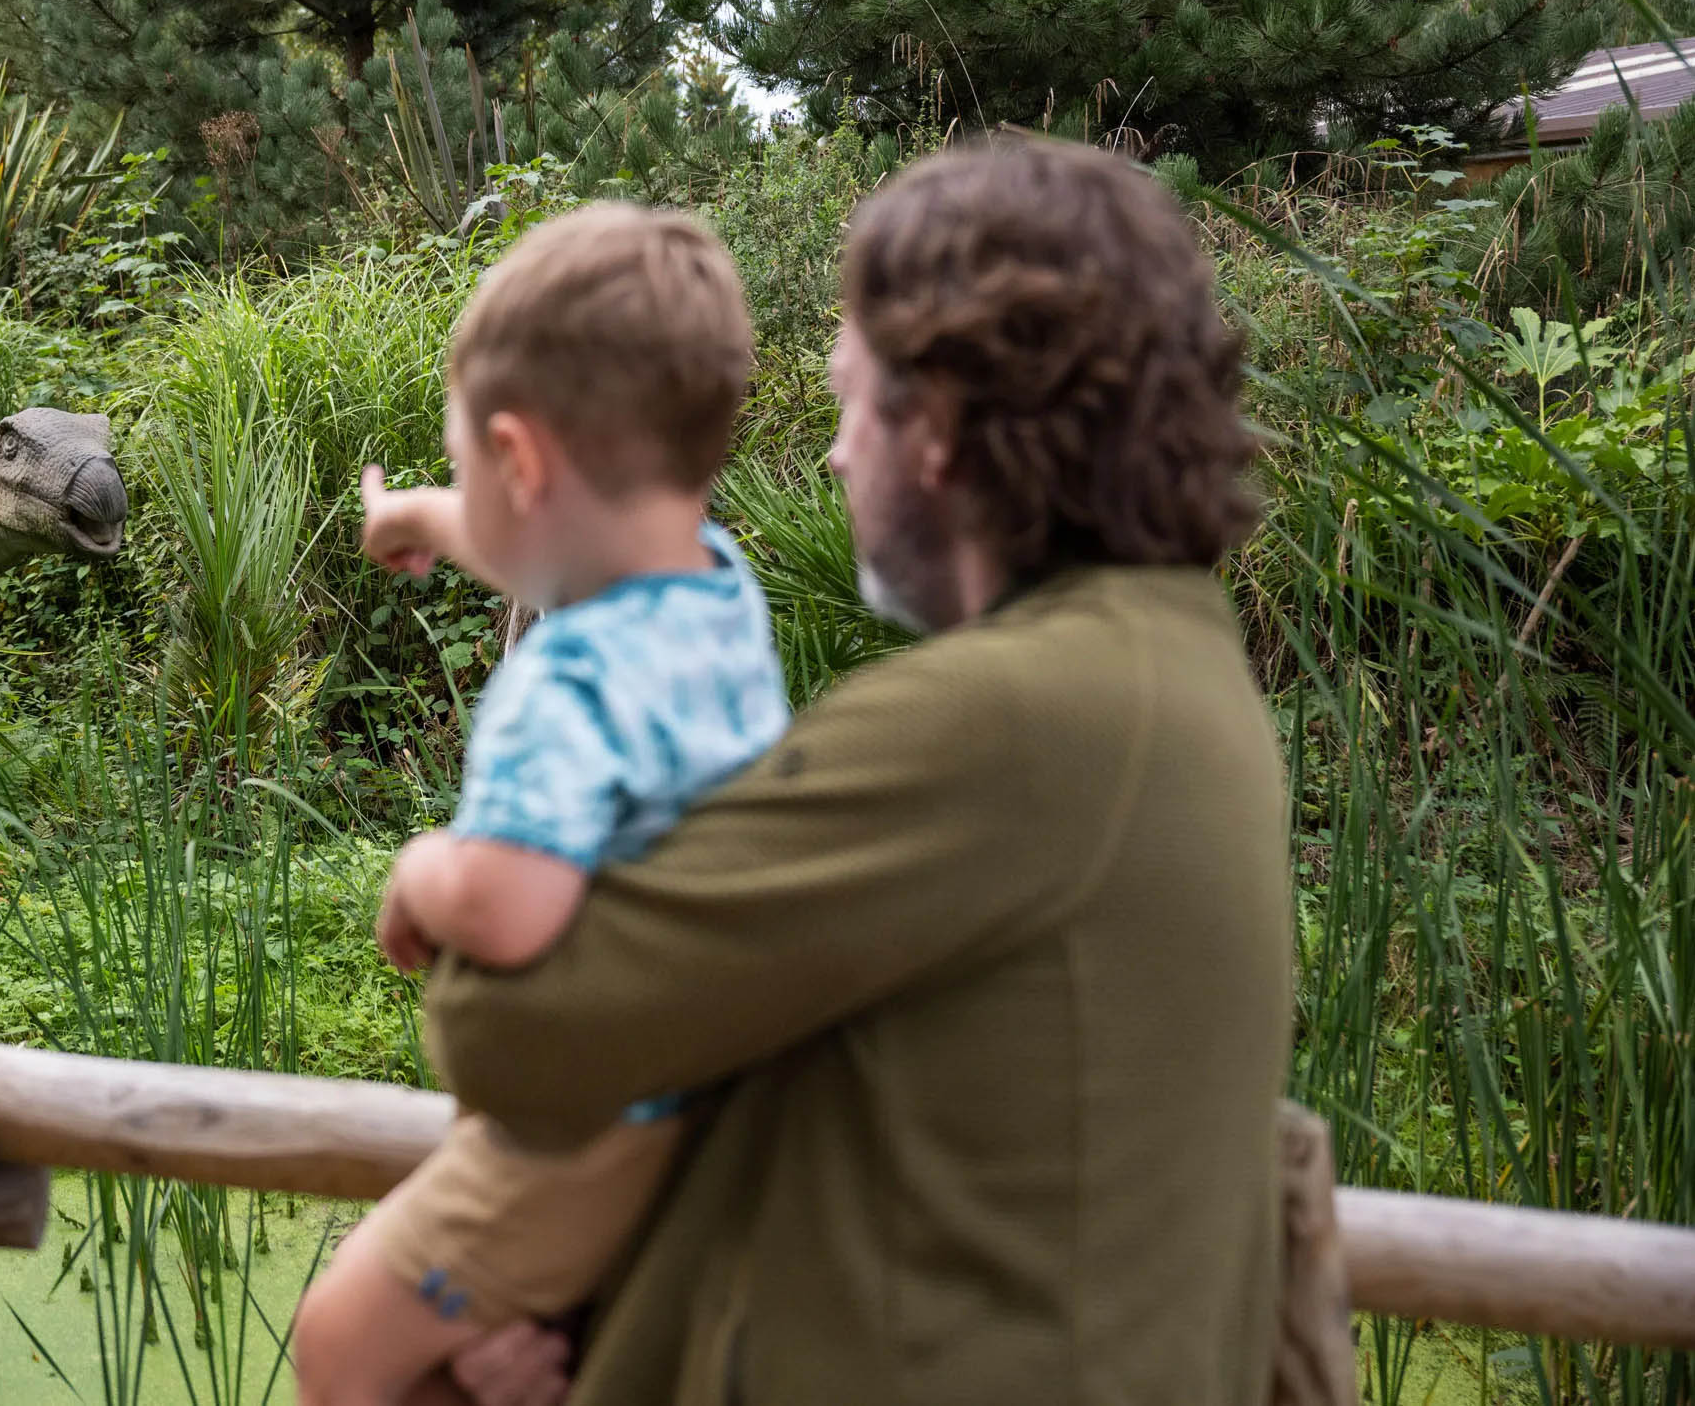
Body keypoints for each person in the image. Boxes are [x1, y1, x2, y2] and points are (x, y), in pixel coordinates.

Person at [422, 134, 1293, 1406]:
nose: (835, 455)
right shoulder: (1175, 670)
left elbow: (507, 1026)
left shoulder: (1012, 724)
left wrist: (434, 876)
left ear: (932, 425)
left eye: (847, 398)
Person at [288, 202, 791, 1406]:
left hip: (588, 1131)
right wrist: (418, 513)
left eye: (464, 466)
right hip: (719, 1101)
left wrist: (420, 872)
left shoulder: (561, 680)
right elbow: (572, 542)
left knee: (338, 1341)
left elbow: (512, 906)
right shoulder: (721, 591)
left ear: (519, 461)